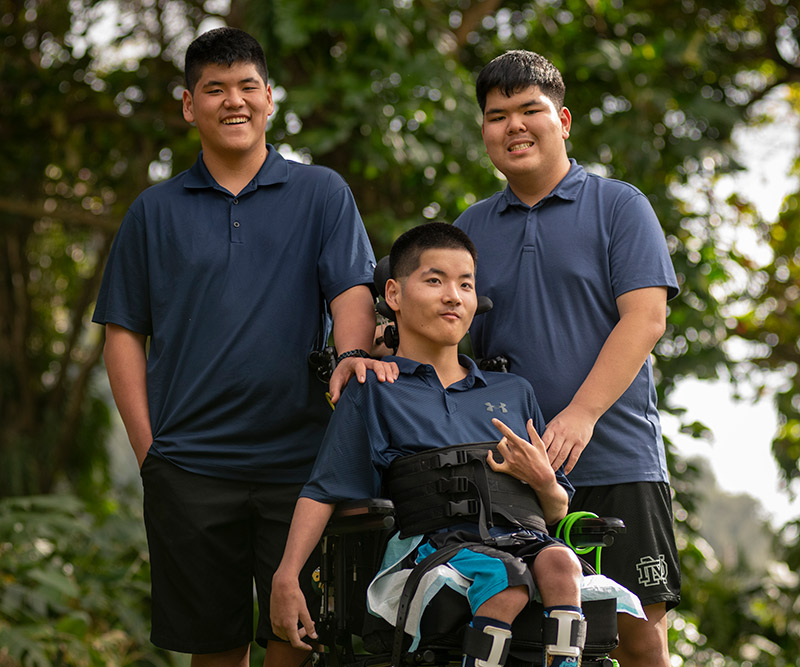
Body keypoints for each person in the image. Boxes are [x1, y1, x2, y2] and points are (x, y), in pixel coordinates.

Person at [92, 26, 397, 667]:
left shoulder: (322, 193)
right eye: (215, 89)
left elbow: (350, 292)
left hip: (302, 465)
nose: (234, 101)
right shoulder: (153, 211)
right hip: (190, 468)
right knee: (216, 649)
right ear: (188, 105)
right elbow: (122, 332)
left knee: (298, 639)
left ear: (268, 98)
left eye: (246, 87)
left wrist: (348, 360)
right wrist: (151, 453)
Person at [270, 222, 588, 667]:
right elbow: (324, 489)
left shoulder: (515, 391)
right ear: (395, 295)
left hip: (523, 539)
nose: (453, 296)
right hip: (435, 548)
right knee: (505, 578)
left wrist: (543, 480)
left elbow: (556, 512)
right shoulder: (375, 389)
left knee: (562, 565)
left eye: (466, 284)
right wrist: (286, 576)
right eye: (435, 280)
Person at [454, 50, 681, 667]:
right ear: (484, 131)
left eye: (531, 109)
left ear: (564, 120)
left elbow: (647, 317)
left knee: (638, 632)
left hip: (616, 457)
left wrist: (581, 413)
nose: (514, 126)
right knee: (533, 636)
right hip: (511, 472)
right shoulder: (468, 230)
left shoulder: (618, 206)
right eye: (497, 115)